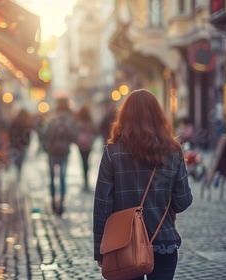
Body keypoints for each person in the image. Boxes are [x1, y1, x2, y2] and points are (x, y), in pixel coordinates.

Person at [93, 89, 193, 279]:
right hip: (163, 240)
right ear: (158, 116)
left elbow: (102, 206)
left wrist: (100, 250)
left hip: (123, 244)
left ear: (124, 117)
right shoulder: (173, 151)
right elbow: (182, 202)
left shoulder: (112, 153)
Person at [41, 98, 78, 215]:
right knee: (62, 178)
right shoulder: (69, 120)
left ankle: (53, 201)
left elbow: (44, 134)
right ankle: (61, 203)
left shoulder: (52, 119)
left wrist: (46, 147)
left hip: (52, 152)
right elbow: (74, 137)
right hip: (64, 152)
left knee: (52, 178)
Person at [74, 106, 96, 192]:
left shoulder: (78, 121)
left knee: (83, 161)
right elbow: (95, 131)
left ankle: (85, 180)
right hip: (88, 144)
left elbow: (75, 132)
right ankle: (86, 180)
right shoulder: (89, 121)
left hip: (81, 145)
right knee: (87, 161)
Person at [8, 109, 34, 177]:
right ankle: (19, 169)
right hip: (23, 145)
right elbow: (29, 134)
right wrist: (27, 143)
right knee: (21, 159)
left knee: (15, 158)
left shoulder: (15, 122)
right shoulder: (26, 123)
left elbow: (10, 132)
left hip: (15, 144)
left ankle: (17, 168)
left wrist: (12, 141)